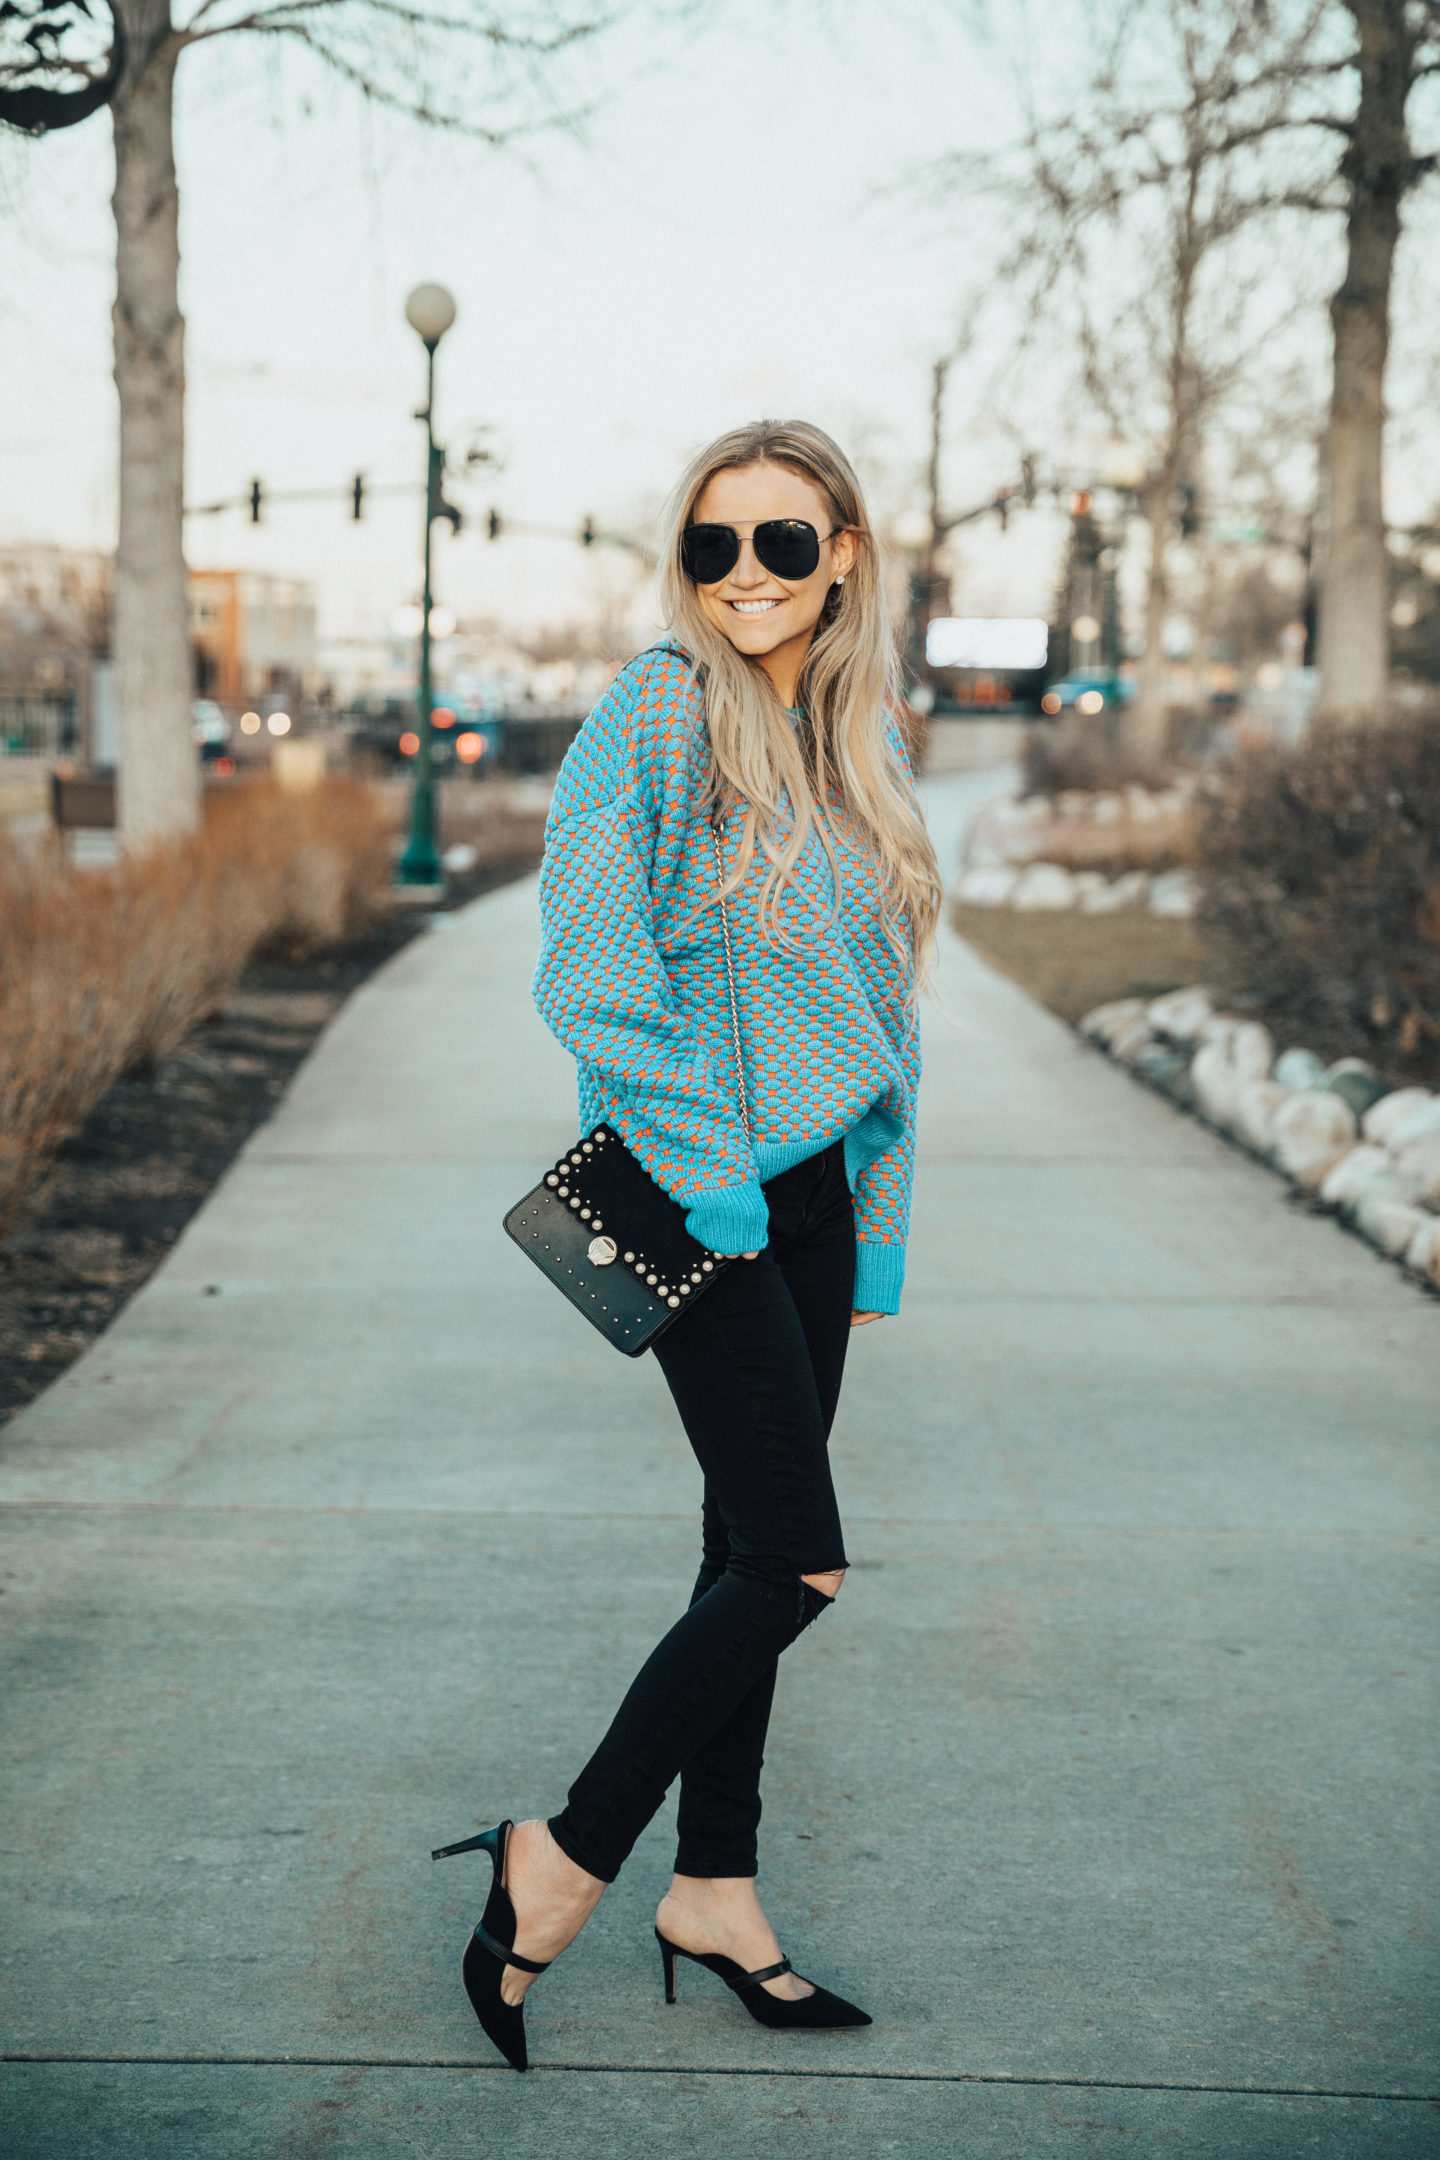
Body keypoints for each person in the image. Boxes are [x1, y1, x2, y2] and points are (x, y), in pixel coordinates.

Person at [433, 419, 941, 2071]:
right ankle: (565, 1858)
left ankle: (715, 1888)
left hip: (798, 1211)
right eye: (715, 544)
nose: (744, 576)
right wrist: (713, 1180)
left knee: (744, 1555)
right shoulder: (658, 710)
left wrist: (868, 1235)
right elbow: (586, 967)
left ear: (844, 552)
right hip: (687, 1193)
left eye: (782, 545)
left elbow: (889, 1026)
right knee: (797, 1563)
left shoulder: (857, 740)